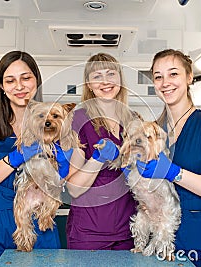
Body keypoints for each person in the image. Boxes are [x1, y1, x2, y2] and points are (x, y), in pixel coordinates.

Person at [0, 51, 66, 266]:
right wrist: (13, 159)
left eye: (26, 78)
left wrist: (63, 170)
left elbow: (66, 184)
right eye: (10, 80)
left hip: (38, 225)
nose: (19, 86)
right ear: (1, 87)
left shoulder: (56, 127)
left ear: (37, 81)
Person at [135, 49, 201, 266]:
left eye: (173, 74)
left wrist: (174, 172)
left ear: (189, 77)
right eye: (158, 77)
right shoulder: (153, 131)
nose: (165, 83)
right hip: (165, 245)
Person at [65, 52, 137, 250]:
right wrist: (98, 158)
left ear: (120, 78)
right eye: (97, 76)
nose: (105, 81)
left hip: (129, 230)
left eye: (111, 74)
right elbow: (73, 188)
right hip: (89, 233)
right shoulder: (78, 120)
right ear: (89, 84)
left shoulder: (133, 120)